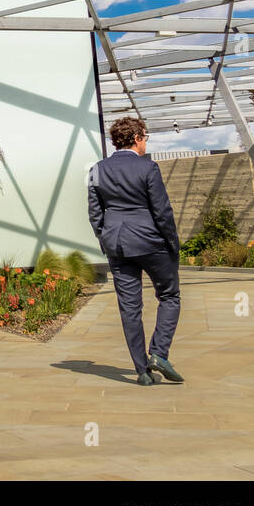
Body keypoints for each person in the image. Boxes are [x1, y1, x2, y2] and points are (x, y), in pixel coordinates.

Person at [88, 116, 184, 386]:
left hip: (117, 245)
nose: (146, 142)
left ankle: (142, 371)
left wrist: (105, 239)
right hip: (151, 242)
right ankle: (159, 354)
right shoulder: (148, 167)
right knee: (170, 295)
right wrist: (173, 245)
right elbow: (162, 212)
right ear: (137, 138)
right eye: (146, 137)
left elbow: (95, 214)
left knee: (130, 308)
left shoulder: (97, 169)